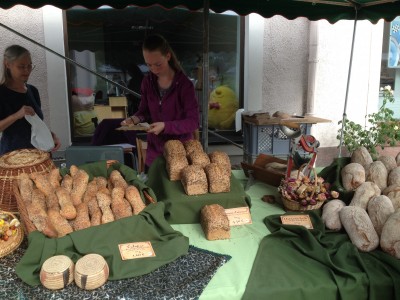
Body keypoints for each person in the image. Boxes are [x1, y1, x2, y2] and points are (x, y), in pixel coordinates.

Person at [121, 34, 199, 170]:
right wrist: (134, 119)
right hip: (155, 153)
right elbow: (144, 111)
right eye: (148, 65)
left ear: (168, 56)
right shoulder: (147, 82)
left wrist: (165, 126)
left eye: (158, 64)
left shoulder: (185, 85)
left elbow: (193, 122)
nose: (154, 69)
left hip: (179, 154)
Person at [0, 45, 61, 155]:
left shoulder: (32, 91)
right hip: (13, 157)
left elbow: (36, 124)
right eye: (21, 66)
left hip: (39, 155)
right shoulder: (2, 93)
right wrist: (16, 115)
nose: (27, 70)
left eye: (29, 66)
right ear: (7, 64)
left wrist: (50, 135)